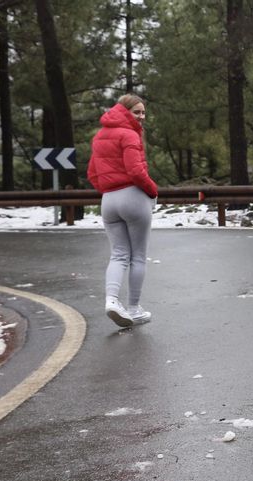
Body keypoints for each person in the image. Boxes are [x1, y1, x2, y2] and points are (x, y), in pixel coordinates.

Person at [87, 94, 158, 327]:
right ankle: (135, 309)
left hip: (108, 201)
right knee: (137, 257)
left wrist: (108, 189)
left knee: (118, 255)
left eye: (143, 112)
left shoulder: (99, 136)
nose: (141, 116)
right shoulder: (129, 134)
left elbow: (92, 174)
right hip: (133, 197)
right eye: (136, 112)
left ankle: (112, 301)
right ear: (124, 111)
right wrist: (153, 191)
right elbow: (136, 172)